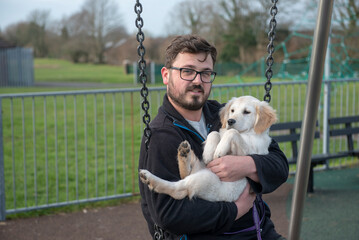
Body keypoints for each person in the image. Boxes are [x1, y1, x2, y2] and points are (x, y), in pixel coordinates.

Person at [138, 34, 288, 240]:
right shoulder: (161, 136)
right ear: (166, 75)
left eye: (205, 73)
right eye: (187, 71)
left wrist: (248, 165)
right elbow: (168, 215)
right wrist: (235, 210)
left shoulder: (225, 115)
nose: (198, 80)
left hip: (259, 230)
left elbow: (280, 166)